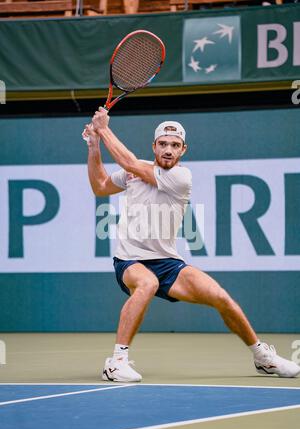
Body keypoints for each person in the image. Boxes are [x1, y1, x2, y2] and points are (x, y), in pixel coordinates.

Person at [83, 108, 300, 382]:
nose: (169, 150)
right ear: (154, 146)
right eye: (163, 144)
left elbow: (129, 163)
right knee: (146, 283)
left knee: (221, 297)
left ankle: (262, 357)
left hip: (168, 263)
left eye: (175, 145)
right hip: (129, 261)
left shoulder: (181, 177)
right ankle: (116, 363)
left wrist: (103, 129)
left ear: (183, 150)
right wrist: (93, 147)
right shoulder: (132, 171)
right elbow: (100, 186)